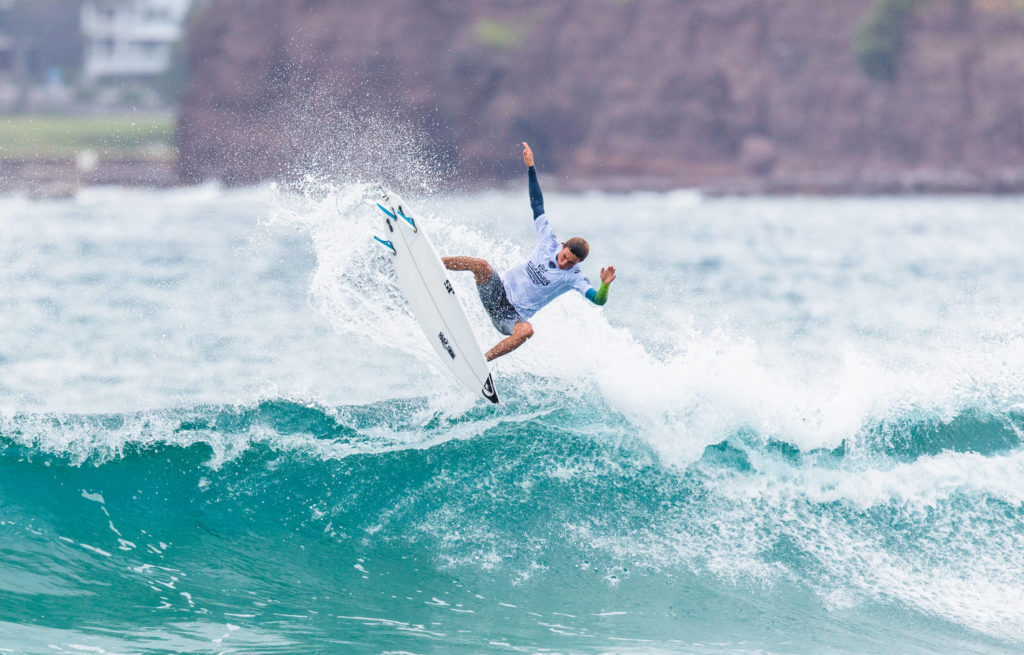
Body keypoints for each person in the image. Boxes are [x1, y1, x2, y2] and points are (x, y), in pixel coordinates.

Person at [443, 142, 616, 361]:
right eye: (565, 258)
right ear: (562, 247)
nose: (564, 264)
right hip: (496, 291)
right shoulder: (548, 241)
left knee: (527, 331)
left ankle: (480, 361)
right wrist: (530, 167)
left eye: (571, 263)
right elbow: (537, 204)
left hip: (510, 316)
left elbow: (598, 300)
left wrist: (604, 286)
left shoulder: (574, 277)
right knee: (481, 265)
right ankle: (434, 264)